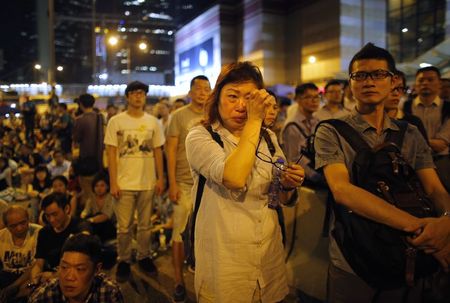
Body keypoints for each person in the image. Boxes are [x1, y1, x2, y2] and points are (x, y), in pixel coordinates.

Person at [314, 43, 450, 302]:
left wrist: (446, 221)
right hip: (353, 256)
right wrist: (422, 228)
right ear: (350, 84)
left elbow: (434, 189)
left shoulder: (409, 133)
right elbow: (343, 191)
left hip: (406, 254)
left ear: (393, 81)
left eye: (378, 74)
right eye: (360, 76)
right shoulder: (330, 131)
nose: (369, 82)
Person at [185, 62, 305, 302]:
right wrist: (254, 121)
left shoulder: (268, 138)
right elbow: (233, 178)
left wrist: (289, 184)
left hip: (268, 260)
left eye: (249, 98)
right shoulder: (200, 136)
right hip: (225, 264)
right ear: (217, 99)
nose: (241, 105)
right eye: (232, 96)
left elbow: (281, 197)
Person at [104, 80, 165, 281]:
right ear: (128, 96)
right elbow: (111, 154)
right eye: (134, 93)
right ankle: (123, 259)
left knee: (146, 225)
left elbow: (158, 151)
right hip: (123, 183)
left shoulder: (153, 122)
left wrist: (160, 178)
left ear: (145, 96)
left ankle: (144, 256)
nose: (139, 96)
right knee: (124, 227)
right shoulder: (116, 121)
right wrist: (113, 182)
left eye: (142, 93)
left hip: (147, 182)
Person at [165, 75, 211, 302]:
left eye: (207, 88)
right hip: (184, 183)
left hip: (208, 184)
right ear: (191, 91)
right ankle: (178, 280)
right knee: (180, 232)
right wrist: (171, 182)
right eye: (199, 88)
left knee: (205, 234)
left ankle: (200, 275)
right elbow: (171, 151)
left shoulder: (213, 115)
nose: (203, 92)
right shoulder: (179, 116)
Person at [28, 233, 124, 303]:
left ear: (96, 269)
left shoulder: (108, 292)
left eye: (80, 269)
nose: (69, 277)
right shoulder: (44, 295)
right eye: (64, 267)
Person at [402, 66, 450, 191]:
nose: (425, 83)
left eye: (430, 80)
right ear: (415, 83)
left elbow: (442, 144)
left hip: (440, 162)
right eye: (421, 80)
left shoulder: (448, 109)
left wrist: (416, 140)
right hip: (411, 163)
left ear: (439, 83)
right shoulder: (404, 107)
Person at [30, 193, 91, 286]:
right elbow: (39, 262)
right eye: (47, 216)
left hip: (74, 278)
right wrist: (35, 279)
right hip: (48, 278)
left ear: (66, 209)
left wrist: (54, 275)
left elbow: (82, 264)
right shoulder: (44, 232)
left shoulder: (81, 227)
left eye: (55, 214)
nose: (51, 220)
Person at [281, 83, 324, 187]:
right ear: (298, 100)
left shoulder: (316, 121)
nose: (314, 101)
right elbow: (294, 159)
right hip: (304, 180)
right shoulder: (292, 126)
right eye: (308, 97)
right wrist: (317, 178)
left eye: (316, 97)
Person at [0, 206, 42, 302]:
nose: (19, 228)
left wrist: (14, 286)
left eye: (23, 223)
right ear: (6, 226)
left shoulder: (39, 232)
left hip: (30, 276)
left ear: (28, 219)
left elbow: (37, 265)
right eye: (13, 226)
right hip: (7, 275)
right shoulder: (1, 236)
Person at [73, 93, 104, 210]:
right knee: (99, 191)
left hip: (86, 162)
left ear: (80, 105)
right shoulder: (100, 117)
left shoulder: (80, 120)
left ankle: (88, 213)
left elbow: (76, 139)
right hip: (99, 160)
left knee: (87, 192)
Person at [384, 70, 428, 140]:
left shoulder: (413, 122)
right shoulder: (368, 122)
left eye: (400, 88)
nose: (396, 93)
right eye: (390, 88)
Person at [80, 174, 116, 243]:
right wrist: (83, 217)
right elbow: (85, 212)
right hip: (96, 226)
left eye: (102, 185)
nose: (99, 188)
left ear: (107, 187)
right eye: (96, 186)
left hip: (109, 226)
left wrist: (91, 220)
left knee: (98, 216)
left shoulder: (111, 198)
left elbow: (106, 216)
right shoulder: (91, 198)